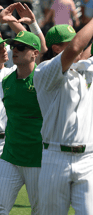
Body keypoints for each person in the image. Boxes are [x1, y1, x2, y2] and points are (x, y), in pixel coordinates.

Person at [34, 1, 93, 214]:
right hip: (56, 156)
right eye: (69, 40)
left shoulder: (86, 67)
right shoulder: (44, 71)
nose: (77, 43)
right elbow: (75, 48)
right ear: (56, 48)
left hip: (88, 157)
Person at [0, 30, 42, 215]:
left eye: (21, 47)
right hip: (10, 155)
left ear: (35, 53)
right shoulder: (6, 79)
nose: (14, 50)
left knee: (41, 211)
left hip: (38, 158)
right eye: (13, 46)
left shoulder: (44, 79)